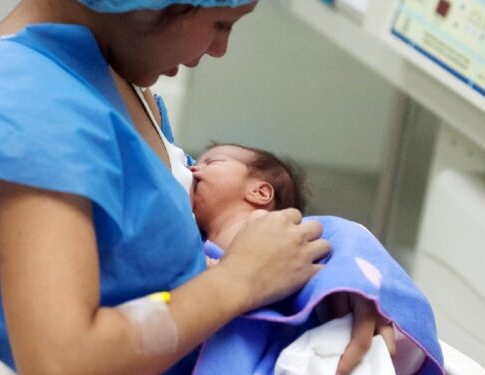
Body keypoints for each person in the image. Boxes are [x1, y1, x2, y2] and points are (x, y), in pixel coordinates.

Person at [0, 1, 387, 374]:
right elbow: (62, 360)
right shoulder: (37, 114)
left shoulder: (100, 66)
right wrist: (239, 281)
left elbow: (153, 229)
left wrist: (332, 283)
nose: (221, 49)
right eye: (221, 22)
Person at [189, 143, 444, 375]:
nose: (193, 168)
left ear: (260, 192)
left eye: (212, 162)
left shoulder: (288, 231)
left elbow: (346, 242)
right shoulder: (194, 243)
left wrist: (349, 282)